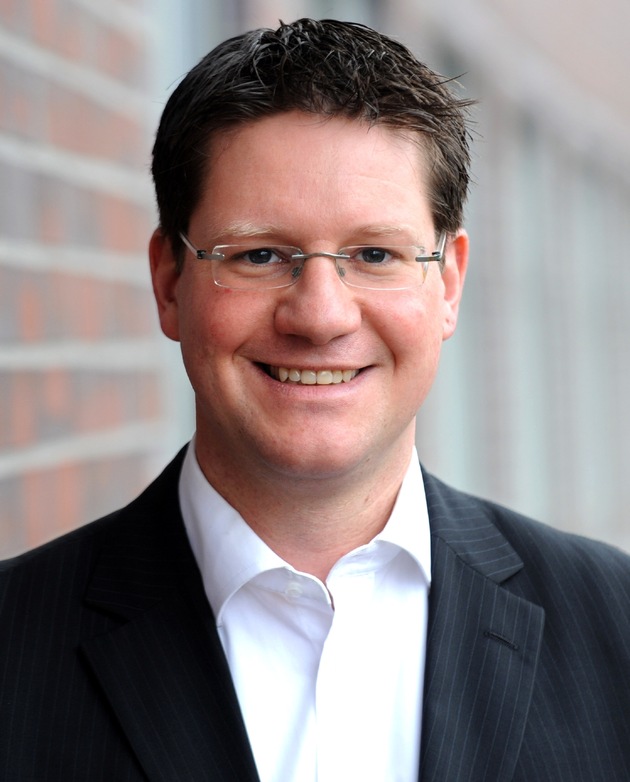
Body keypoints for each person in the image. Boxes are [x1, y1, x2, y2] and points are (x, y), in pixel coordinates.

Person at [1, 17, 629, 782]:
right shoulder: (14, 646)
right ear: (169, 282)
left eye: (375, 254)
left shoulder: (616, 624)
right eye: (261, 254)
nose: (321, 316)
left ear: (448, 284)